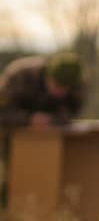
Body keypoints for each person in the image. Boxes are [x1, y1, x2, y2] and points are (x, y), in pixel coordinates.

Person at [0, 50, 85, 204]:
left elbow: (71, 115)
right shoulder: (19, 76)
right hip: (13, 137)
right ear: (47, 75)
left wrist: (53, 120)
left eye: (65, 89)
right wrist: (28, 119)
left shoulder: (77, 85)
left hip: (49, 144)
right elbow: (3, 112)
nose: (60, 92)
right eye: (56, 85)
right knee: (10, 179)